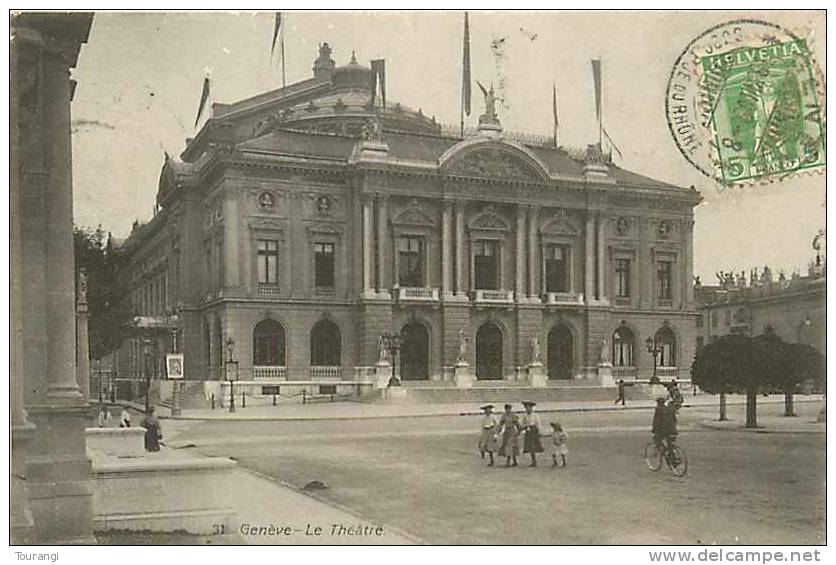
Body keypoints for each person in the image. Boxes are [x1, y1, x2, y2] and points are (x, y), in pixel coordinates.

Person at [520, 401, 544, 467]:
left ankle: (534, 460)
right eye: (526, 408)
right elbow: (523, 423)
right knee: (530, 446)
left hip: (534, 431)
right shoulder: (525, 415)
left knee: (533, 445)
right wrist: (524, 427)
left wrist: (539, 432)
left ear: (532, 408)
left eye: (529, 408)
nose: (528, 409)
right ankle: (533, 460)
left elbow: (538, 424)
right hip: (528, 431)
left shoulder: (535, 415)